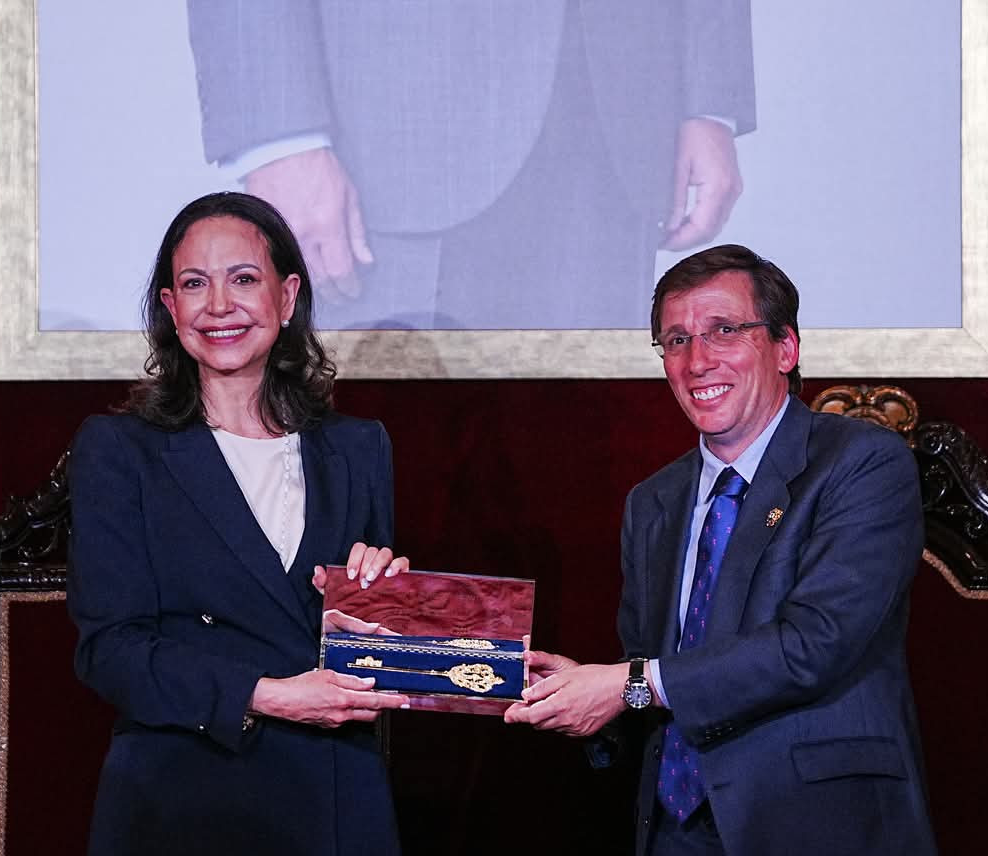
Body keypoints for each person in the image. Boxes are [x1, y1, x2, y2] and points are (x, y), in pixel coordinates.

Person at [505, 245, 937, 855]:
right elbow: (651, 671)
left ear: (785, 347)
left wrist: (627, 684)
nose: (697, 361)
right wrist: (587, 694)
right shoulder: (653, 502)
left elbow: (812, 645)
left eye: (723, 331)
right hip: (673, 830)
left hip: (815, 822)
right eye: (675, 341)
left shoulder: (862, 463)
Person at [68, 191, 410, 855]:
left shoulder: (360, 448)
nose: (219, 305)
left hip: (333, 792)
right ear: (171, 308)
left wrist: (381, 602)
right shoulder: (119, 450)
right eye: (195, 283)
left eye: (243, 280)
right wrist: (267, 696)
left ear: (286, 299)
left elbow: (381, 655)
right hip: (182, 793)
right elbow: (108, 651)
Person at [186, 0, 755, 330]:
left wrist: (707, 95)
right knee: (381, 483)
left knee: (574, 473)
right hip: (387, 123)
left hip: (615, 99)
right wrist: (279, 131)